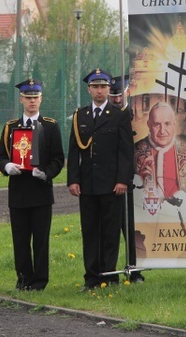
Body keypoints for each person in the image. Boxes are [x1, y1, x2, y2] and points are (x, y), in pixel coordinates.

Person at [67, 68, 134, 290]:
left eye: (103, 87)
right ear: (89, 89)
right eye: (95, 87)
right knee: (90, 231)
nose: (100, 91)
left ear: (108, 89)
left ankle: (109, 275)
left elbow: (126, 151)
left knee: (110, 231)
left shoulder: (119, 115)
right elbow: (75, 151)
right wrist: (73, 180)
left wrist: (123, 180)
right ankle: (92, 277)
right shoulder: (80, 116)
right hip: (87, 184)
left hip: (112, 184)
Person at [0, 79, 64, 291]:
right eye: (28, 98)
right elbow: (0, 157)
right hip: (19, 191)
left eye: (36, 98)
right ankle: (23, 278)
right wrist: (7, 167)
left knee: (41, 240)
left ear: (41, 98)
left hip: (41, 191)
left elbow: (58, 158)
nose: (32, 101)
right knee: (20, 239)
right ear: (21, 99)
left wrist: (47, 174)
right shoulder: (11, 127)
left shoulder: (51, 126)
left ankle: (40, 282)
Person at [109, 74, 144, 283]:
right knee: (113, 227)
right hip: (116, 178)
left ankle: (135, 271)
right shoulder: (108, 114)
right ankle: (110, 271)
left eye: (119, 94)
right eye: (113, 95)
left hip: (141, 177)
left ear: (128, 92)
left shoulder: (137, 114)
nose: (116, 99)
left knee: (133, 229)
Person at [134, 102, 186, 200]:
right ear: (149, 125)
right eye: (157, 124)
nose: (162, 131)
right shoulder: (135, 151)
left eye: (167, 124)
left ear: (174, 124)